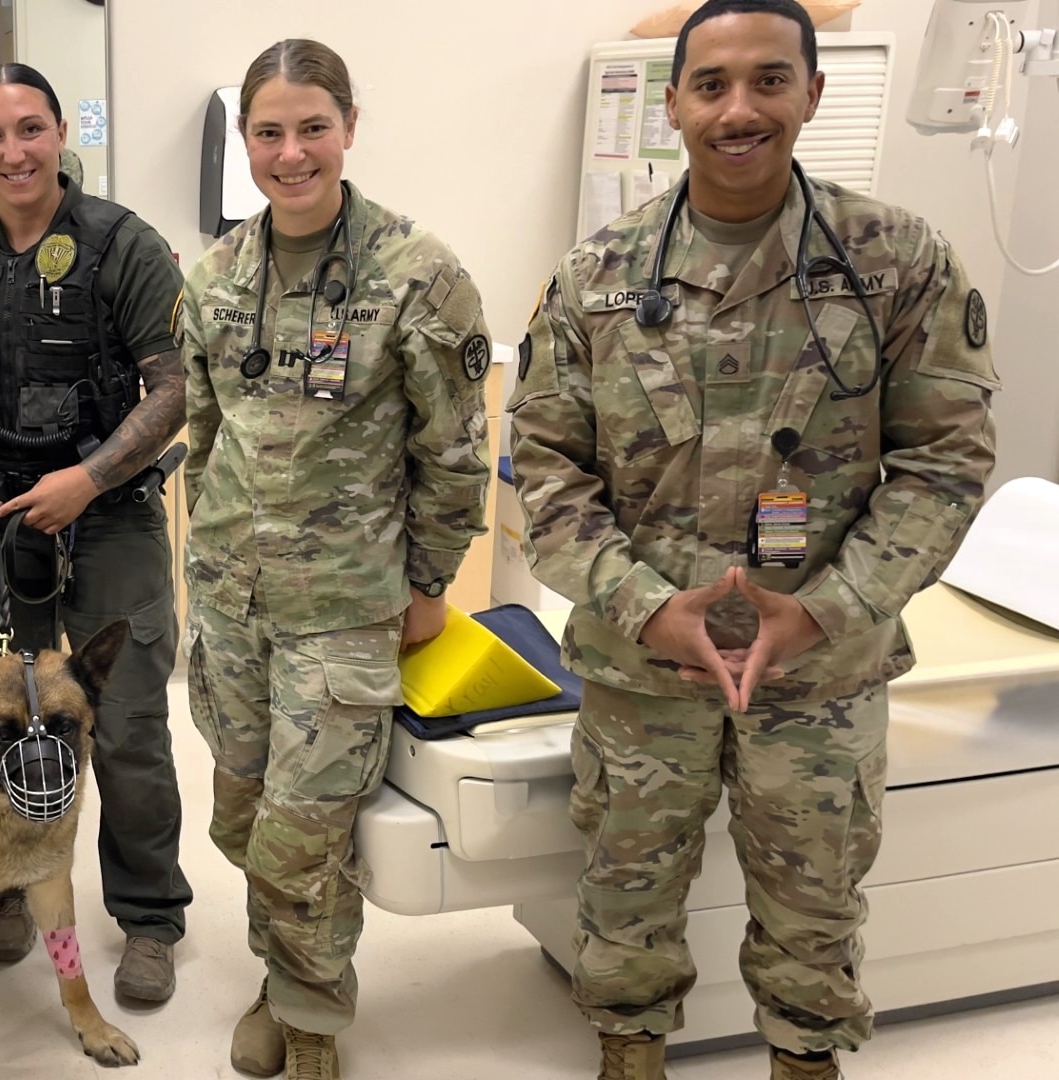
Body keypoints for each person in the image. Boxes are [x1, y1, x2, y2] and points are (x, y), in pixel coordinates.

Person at [508, 3, 1000, 1078]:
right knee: (626, 885)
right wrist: (647, 605)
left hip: (822, 662)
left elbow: (945, 462)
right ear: (674, 102)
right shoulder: (599, 277)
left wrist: (825, 606)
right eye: (713, 85)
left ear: (811, 94)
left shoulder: (897, 262)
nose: (740, 109)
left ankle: (805, 1059)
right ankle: (628, 1054)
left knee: (816, 899)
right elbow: (547, 474)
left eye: (769, 81)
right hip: (646, 664)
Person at [178, 39, 494, 1080]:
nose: (291, 152)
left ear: (349, 128)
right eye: (269, 132)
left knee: (299, 836)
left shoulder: (418, 275)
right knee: (238, 817)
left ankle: (312, 1024)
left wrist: (429, 584)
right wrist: (206, 563)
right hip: (231, 601)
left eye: (312, 126)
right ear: (246, 143)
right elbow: (206, 431)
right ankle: (283, 968)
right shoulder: (216, 274)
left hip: (346, 608)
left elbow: (453, 450)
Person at [0, 62, 193, 1003]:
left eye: (30, 129)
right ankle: (18, 884)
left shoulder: (122, 247)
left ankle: (148, 915)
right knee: (6, 720)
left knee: (134, 726)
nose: (13, 150)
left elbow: (173, 389)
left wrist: (91, 477)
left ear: (61, 132)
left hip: (106, 520)